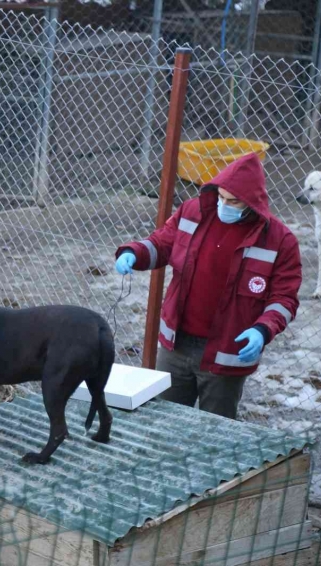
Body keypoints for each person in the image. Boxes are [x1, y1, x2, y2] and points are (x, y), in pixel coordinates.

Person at [114, 153, 301, 420]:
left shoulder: (279, 241)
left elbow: (284, 298)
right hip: (176, 345)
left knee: (216, 429)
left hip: (226, 353)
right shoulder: (193, 212)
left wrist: (263, 329)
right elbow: (162, 243)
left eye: (233, 201)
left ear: (252, 203)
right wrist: (135, 252)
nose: (224, 205)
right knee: (164, 421)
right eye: (221, 197)